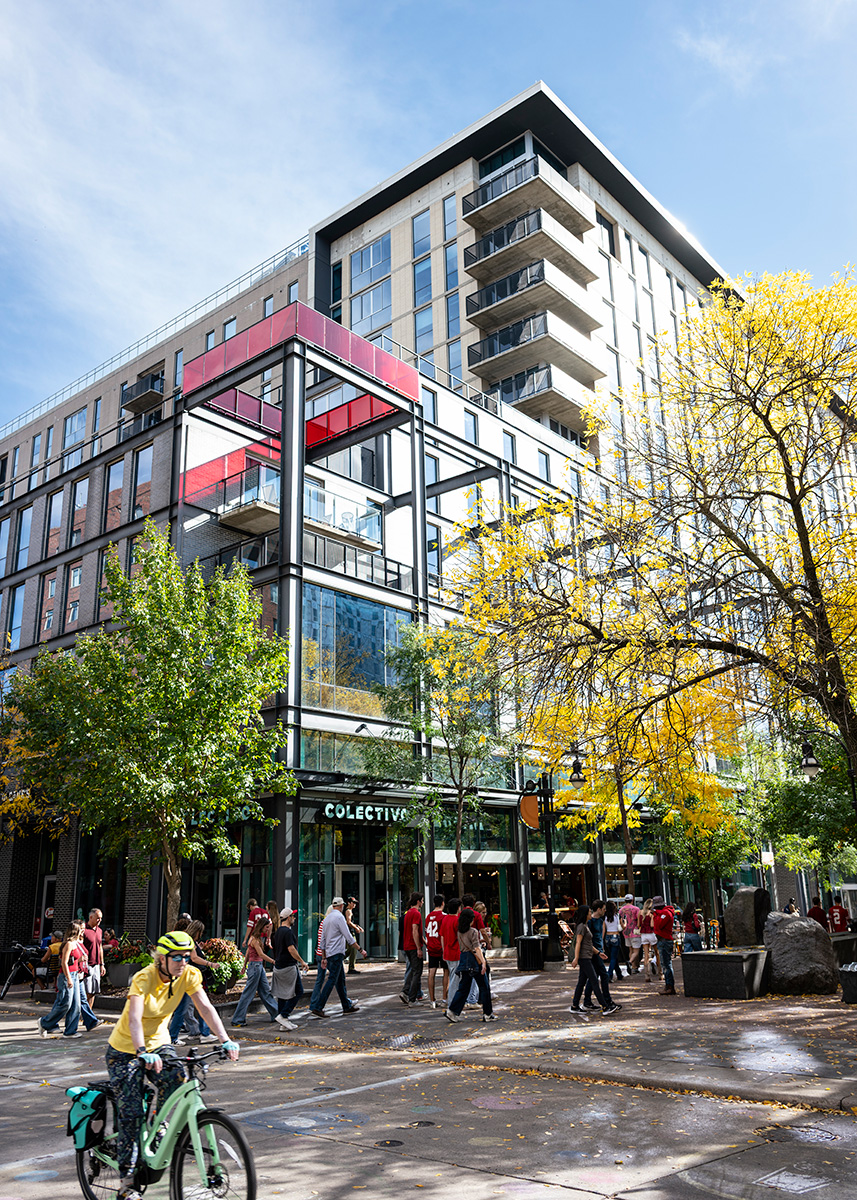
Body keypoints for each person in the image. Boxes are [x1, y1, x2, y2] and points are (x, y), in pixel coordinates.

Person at [105, 929, 239, 1200]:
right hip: (125, 1049)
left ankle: (158, 1122)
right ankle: (127, 1184)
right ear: (161, 959)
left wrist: (225, 1039)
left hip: (159, 1044)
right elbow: (134, 1018)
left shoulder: (189, 974)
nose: (182, 962)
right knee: (130, 1114)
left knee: (178, 1075)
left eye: (186, 957)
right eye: (176, 957)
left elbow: (205, 1007)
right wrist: (141, 1051)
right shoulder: (144, 977)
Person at [38, 920, 100, 1038]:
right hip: (67, 976)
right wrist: (69, 978)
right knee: (65, 1004)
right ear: (75, 931)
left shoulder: (76, 943)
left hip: (75, 975)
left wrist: (80, 960)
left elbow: (73, 960)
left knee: (76, 1005)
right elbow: (64, 963)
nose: (83, 931)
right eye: (81, 930)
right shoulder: (68, 944)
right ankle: (44, 1022)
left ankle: (70, 1031)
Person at [309, 896, 367, 1017]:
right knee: (332, 980)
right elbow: (349, 937)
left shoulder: (326, 919)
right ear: (341, 906)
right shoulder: (339, 917)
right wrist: (360, 950)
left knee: (340, 981)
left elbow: (322, 941)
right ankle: (318, 1007)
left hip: (329, 954)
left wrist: (324, 957)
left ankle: (346, 1005)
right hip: (336, 954)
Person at [168, 920, 217, 1044]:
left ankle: (198, 1033)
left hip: (187, 978)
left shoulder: (188, 940)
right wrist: (210, 964)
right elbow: (194, 958)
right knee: (186, 1008)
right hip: (187, 979)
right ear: (198, 931)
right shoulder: (189, 940)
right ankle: (175, 1037)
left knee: (189, 1008)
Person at [445, 907, 495, 1023]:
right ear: (471, 920)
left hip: (463, 959)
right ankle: (488, 1013)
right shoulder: (473, 931)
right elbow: (476, 948)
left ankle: (452, 1010)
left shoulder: (459, 931)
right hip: (473, 960)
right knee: (484, 986)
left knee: (463, 987)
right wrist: (483, 962)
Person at [568, 905, 619, 1016]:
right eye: (589, 913)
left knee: (581, 982)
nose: (591, 914)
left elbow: (588, 945)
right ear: (585, 914)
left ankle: (575, 1006)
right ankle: (605, 1006)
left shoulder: (584, 926)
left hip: (587, 956)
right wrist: (576, 958)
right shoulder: (581, 927)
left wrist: (599, 953)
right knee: (594, 981)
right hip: (584, 958)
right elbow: (578, 943)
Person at [231, 916, 279, 1027]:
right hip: (256, 967)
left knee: (266, 991)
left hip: (257, 967)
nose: (267, 930)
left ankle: (276, 1014)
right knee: (248, 994)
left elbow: (248, 952)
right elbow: (261, 954)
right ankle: (238, 1019)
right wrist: (273, 961)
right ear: (261, 926)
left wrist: (244, 965)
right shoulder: (255, 940)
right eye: (266, 927)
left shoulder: (253, 938)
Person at [271, 907, 309, 1028]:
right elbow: (291, 949)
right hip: (288, 967)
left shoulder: (277, 932)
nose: (294, 918)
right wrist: (302, 961)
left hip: (279, 967)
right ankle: (284, 1015)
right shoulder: (288, 932)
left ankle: (283, 1023)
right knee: (299, 992)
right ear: (288, 918)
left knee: (282, 995)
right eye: (293, 916)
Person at [582, 900, 608, 1009]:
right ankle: (607, 1001)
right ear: (599, 909)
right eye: (603, 909)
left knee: (593, 977)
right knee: (603, 975)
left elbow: (600, 937)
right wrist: (596, 951)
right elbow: (588, 940)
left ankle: (587, 1001)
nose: (605, 911)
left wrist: (601, 948)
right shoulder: (590, 922)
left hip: (598, 951)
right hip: (594, 953)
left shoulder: (601, 920)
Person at [400, 892, 425, 1006]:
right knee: (417, 972)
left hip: (407, 946)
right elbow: (415, 930)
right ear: (418, 901)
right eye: (422, 900)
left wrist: (424, 942)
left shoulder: (408, 913)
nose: (423, 903)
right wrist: (419, 948)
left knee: (413, 970)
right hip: (413, 946)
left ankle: (405, 991)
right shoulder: (416, 914)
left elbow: (416, 932)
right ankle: (412, 999)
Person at [424, 894, 448, 1008]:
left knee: (431, 972)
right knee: (446, 972)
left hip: (431, 946)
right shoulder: (444, 916)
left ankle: (432, 1000)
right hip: (442, 947)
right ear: (443, 903)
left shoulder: (428, 916)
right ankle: (444, 998)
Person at [652, 896, 676, 995]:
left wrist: (656, 914)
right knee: (665, 964)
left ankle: (669, 986)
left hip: (665, 940)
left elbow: (658, 925)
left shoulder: (665, 913)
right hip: (663, 940)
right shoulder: (663, 913)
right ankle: (668, 985)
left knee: (666, 964)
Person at [440, 898, 462, 999]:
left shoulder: (445, 919)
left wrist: (444, 951)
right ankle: (452, 1002)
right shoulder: (457, 921)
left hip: (447, 952)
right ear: (458, 908)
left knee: (453, 977)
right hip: (456, 953)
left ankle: (452, 1001)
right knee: (455, 979)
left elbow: (442, 936)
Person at [81, 908, 105, 999]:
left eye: (101, 918)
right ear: (91, 917)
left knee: (94, 991)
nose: (100, 920)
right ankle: (83, 1012)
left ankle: (89, 1012)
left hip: (96, 964)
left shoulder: (99, 930)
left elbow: (100, 947)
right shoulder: (84, 930)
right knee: (86, 990)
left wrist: (102, 964)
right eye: (98, 918)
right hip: (86, 964)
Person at [619, 893, 641, 973]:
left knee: (630, 949)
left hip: (626, 932)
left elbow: (620, 921)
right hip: (635, 931)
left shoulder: (621, 910)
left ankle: (634, 967)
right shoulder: (636, 909)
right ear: (632, 900)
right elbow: (639, 921)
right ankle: (631, 962)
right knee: (636, 951)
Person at [638, 899, 660, 981]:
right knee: (657, 953)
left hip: (643, 934)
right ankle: (660, 973)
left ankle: (647, 975)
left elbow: (638, 924)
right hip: (651, 933)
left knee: (646, 955)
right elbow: (652, 925)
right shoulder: (651, 914)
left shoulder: (640, 912)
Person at [604, 900, 624, 981]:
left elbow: (603, 929)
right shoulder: (617, 916)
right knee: (613, 957)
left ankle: (619, 974)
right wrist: (625, 923)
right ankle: (609, 974)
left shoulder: (605, 917)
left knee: (613, 957)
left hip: (607, 936)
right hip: (615, 936)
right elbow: (622, 927)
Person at [345, 897, 364, 975]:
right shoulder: (348, 911)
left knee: (349, 950)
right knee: (353, 949)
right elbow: (348, 922)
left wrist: (357, 926)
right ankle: (351, 968)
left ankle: (335, 960)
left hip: (348, 933)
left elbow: (351, 922)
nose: (354, 904)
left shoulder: (349, 911)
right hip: (349, 933)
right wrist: (356, 928)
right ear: (349, 903)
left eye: (355, 903)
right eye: (353, 903)